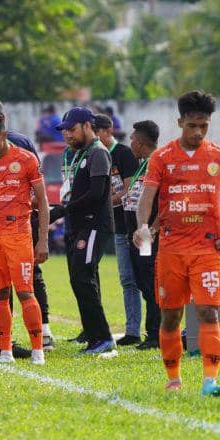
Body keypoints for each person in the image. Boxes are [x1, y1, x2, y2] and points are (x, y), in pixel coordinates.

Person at [134, 91, 220, 396]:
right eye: (192, 125)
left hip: (207, 250)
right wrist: (143, 226)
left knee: (208, 312)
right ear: (180, 121)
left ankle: (210, 380)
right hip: (171, 251)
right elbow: (147, 198)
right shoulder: (162, 157)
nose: (197, 132)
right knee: (171, 315)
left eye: (203, 126)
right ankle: (173, 378)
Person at [0, 111, 50, 364]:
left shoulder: (26, 159)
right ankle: (5, 351)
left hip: (18, 235)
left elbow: (44, 202)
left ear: (4, 135)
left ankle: (38, 349)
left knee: (26, 293)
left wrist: (43, 239)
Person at [49, 107, 115, 356]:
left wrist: (62, 210)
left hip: (94, 225)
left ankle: (103, 338)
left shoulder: (98, 153)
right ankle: (93, 336)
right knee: (80, 279)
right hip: (79, 225)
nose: (67, 135)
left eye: (72, 129)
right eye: (64, 131)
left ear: (87, 125)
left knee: (83, 278)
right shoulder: (80, 154)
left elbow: (97, 194)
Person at [93, 113, 140, 346]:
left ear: (106, 131)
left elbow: (130, 190)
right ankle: (132, 331)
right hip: (114, 225)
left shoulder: (124, 154)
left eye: (96, 131)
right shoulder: (93, 153)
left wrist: (102, 201)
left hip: (131, 224)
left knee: (137, 279)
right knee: (125, 278)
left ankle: (137, 330)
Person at [125, 120, 161, 350]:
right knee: (141, 280)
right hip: (137, 234)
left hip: (147, 234)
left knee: (150, 282)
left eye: (132, 139)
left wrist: (152, 229)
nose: (130, 143)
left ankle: (155, 334)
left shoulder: (157, 164)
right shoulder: (142, 164)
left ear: (140, 142)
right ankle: (153, 332)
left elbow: (163, 203)